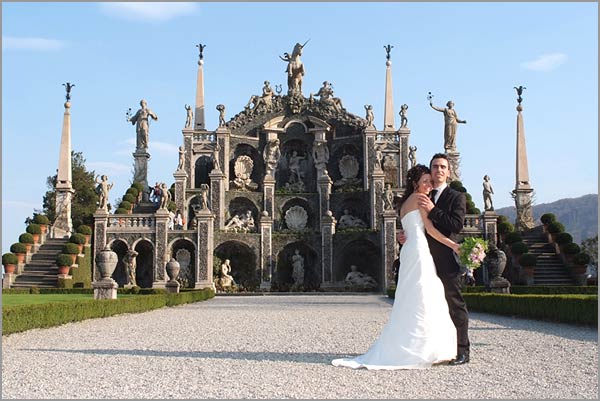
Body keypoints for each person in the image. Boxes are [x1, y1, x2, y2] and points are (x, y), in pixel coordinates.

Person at [332, 164, 459, 370]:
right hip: (418, 250)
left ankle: (412, 345)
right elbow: (431, 230)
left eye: (430, 181)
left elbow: (408, 228)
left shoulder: (404, 203)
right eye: (425, 181)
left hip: (409, 249)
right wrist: (454, 245)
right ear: (415, 183)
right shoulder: (421, 199)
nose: (429, 185)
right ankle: (424, 349)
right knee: (425, 295)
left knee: (413, 296)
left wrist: (405, 238)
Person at [415, 153, 469, 365]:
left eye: (442, 167)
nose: (438, 170)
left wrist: (433, 210)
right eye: (435, 166)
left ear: (449, 171)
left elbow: (456, 225)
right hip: (424, 259)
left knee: (455, 304)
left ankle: (463, 352)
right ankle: (434, 349)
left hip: (446, 259)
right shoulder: (422, 194)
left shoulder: (456, 197)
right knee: (427, 306)